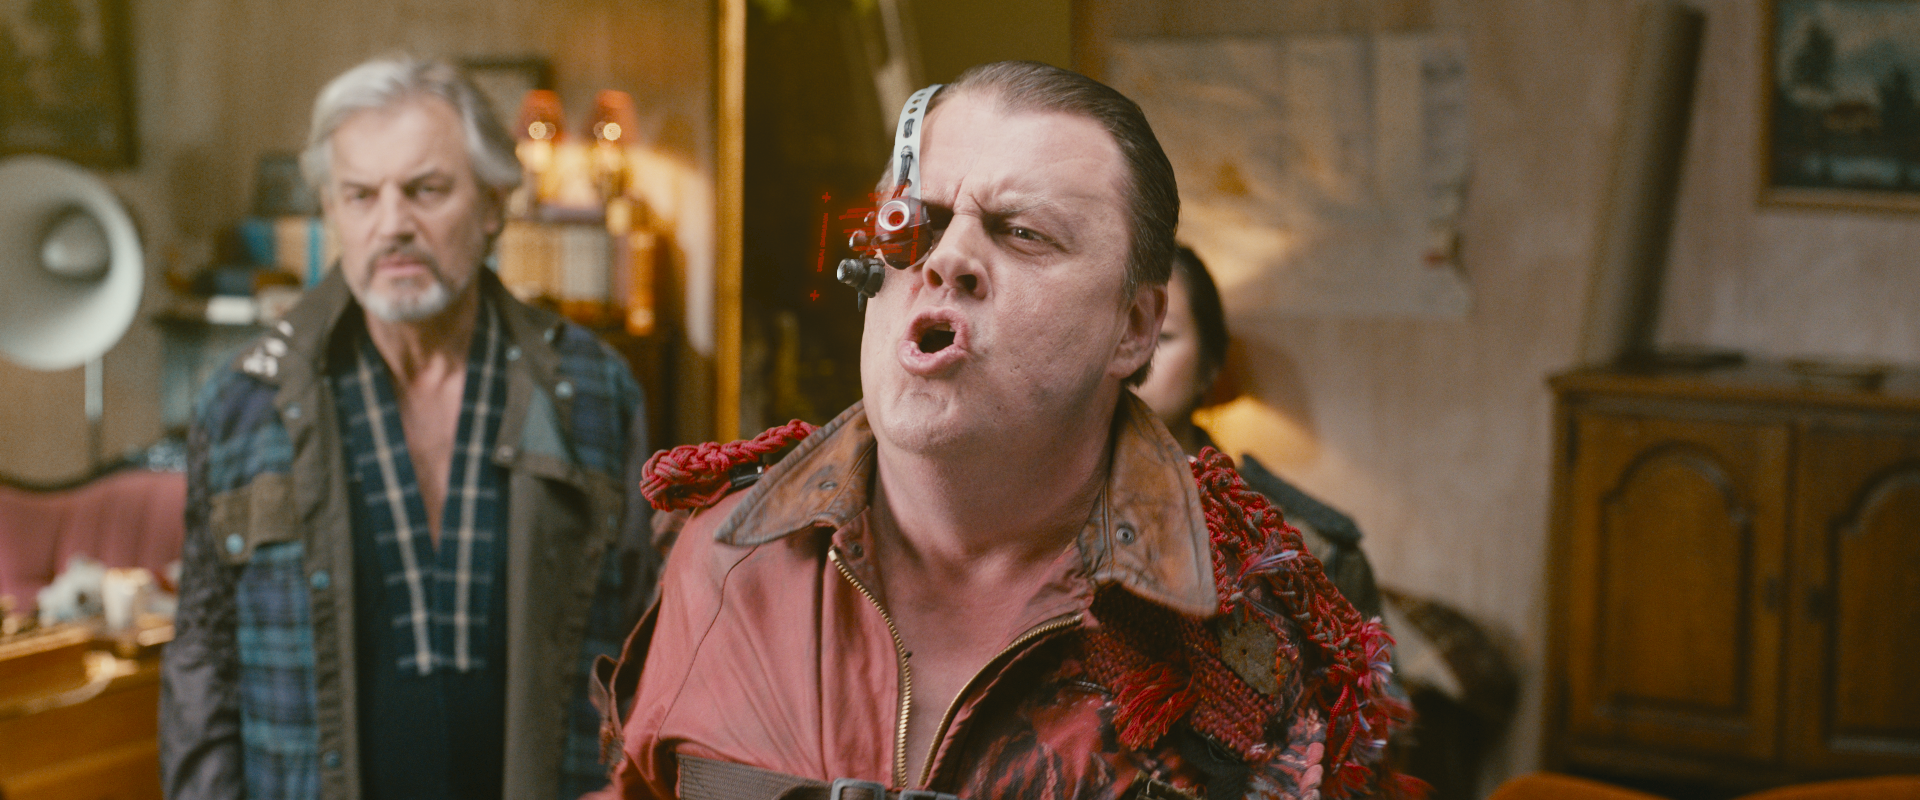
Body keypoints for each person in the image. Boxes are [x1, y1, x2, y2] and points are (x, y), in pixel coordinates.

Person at [592, 61, 1414, 800]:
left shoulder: (1258, 641)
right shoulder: (724, 557)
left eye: (1023, 232)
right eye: (919, 220)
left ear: (1134, 328)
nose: (947, 259)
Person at [161, 56, 653, 800]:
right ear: (333, 212)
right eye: (361, 195)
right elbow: (202, 663)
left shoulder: (593, 389)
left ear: (493, 205)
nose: (392, 225)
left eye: (426, 190)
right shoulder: (242, 403)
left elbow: (650, 655)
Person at [1133, 246, 1382, 621]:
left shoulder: (1303, 546)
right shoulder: (1045, 512)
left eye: (1162, 337)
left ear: (1210, 365)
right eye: (1113, 330)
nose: (1132, 355)